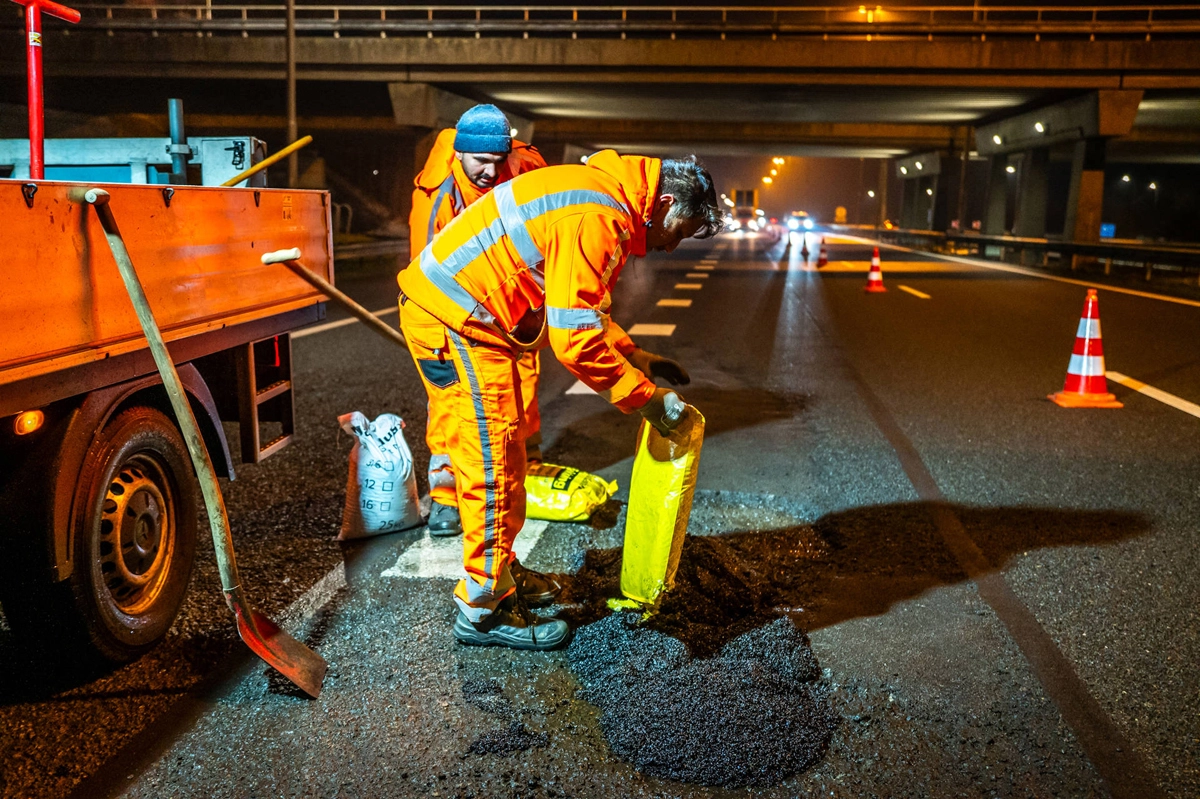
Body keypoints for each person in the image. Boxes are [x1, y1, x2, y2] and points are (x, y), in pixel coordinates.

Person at [397, 150, 721, 650]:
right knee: (492, 460)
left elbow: (577, 306)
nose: (671, 247)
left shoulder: (602, 195)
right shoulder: (600, 214)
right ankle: (481, 608)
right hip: (457, 321)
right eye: (677, 232)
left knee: (506, 455)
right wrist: (648, 400)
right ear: (663, 201)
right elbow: (573, 340)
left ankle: (500, 571)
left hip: (468, 317)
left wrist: (636, 354)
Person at [409, 104, 548, 538]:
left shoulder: (526, 169)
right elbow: (430, 277)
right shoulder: (439, 198)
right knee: (453, 400)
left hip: (515, 297)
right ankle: (448, 496)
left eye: (497, 161)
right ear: (460, 154)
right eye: (480, 162)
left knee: (521, 383)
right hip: (455, 308)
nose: (490, 172)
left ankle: (518, 466)